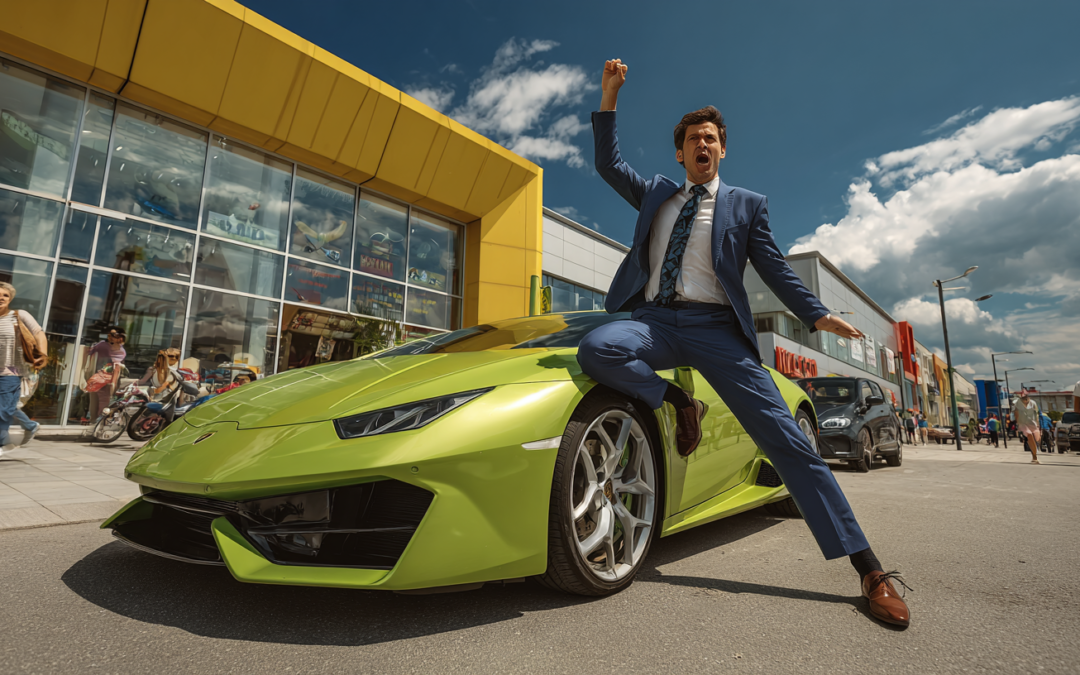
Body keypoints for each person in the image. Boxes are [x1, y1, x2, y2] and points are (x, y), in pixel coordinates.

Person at [576, 59, 909, 627]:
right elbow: (608, 162)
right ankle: (681, 403)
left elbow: (774, 267)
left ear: (722, 150)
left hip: (716, 333)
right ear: (679, 153)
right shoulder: (656, 193)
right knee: (597, 348)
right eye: (692, 139)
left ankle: (870, 568)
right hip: (654, 322)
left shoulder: (746, 205)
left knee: (791, 444)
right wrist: (608, 96)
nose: (702, 144)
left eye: (711, 137)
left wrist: (817, 315)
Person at [0, 282, 47, 455]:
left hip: (11, 370)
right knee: (7, 406)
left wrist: (43, 354)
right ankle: (30, 425)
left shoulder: (18, 315)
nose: (1, 298)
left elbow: (38, 333)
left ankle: (4, 443)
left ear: (10, 298)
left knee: (3, 408)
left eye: (5, 295)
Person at [82, 327, 126, 421]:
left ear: (120, 338)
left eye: (113, 335)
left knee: (100, 402)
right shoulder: (104, 345)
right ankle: (96, 422)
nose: (110, 337)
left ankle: (96, 421)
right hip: (100, 377)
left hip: (103, 378)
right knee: (98, 402)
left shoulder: (113, 348)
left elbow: (116, 368)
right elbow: (89, 352)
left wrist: (113, 383)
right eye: (109, 335)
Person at [1013, 390, 1041, 464]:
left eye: (1026, 398)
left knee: (1037, 438)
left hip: (1032, 423)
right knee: (1029, 435)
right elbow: (1016, 413)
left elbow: (1036, 414)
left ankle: (1035, 453)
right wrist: (1017, 424)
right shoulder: (1017, 403)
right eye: (1023, 398)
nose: (1025, 400)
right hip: (1023, 423)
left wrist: (1038, 424)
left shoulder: (1033, 403)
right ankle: (1034, 457)